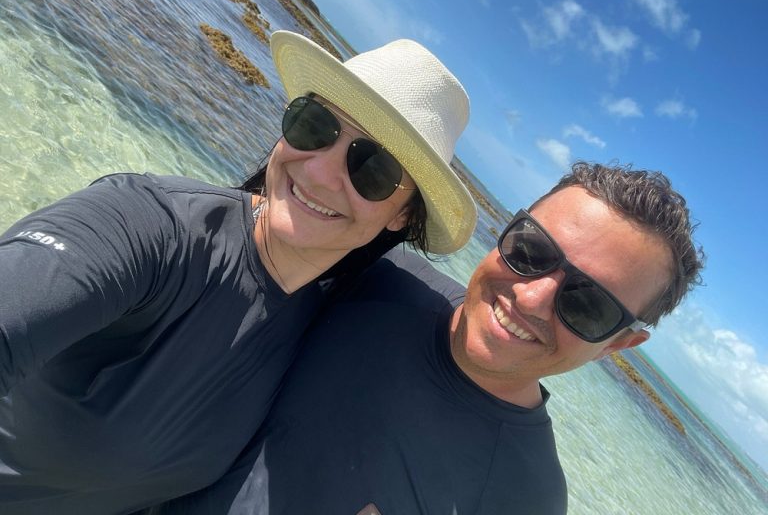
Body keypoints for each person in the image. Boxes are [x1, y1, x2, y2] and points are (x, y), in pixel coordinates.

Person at [0, 31, 477, 514]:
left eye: (373, 170)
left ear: (402, 216)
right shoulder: (150, 224)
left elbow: (474, 317)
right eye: (316, 126)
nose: (318, 173)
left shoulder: (330, 315)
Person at [148, 161, 704, 515]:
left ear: (617, 345)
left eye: (588, 304)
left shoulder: (525, 497)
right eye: (533, 251)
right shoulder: (373, 274)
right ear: (505, 230)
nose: (531, 298)